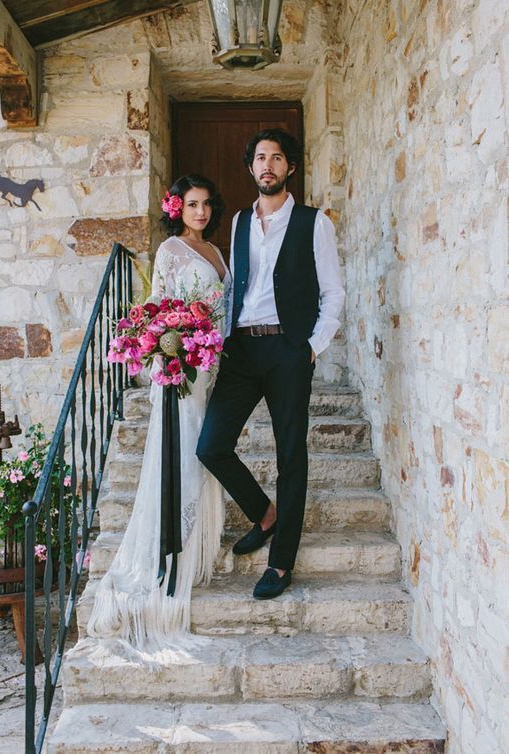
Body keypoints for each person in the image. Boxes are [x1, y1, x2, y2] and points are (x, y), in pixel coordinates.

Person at [197, 129, 345, 600]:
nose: (268, 165)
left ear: (290, 168)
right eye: (260, 158)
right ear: (251, 168)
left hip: (288, 350)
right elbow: (235, 284)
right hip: (241, 349)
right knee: (212, 444)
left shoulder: (313, 222)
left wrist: (311, 347)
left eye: (277, 158)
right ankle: (264, 513)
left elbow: (333, 294)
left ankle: (281, 562)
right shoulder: (240, 221)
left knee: (290, 457)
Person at [87, 174, 230, 655]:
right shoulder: (171, 250)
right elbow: (156, 305)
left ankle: (196, 544)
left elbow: (221, 311)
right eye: (193, 204)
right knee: (187, 447)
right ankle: (173, 549)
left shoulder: (217, 253)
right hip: (182, 367)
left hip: (209, 364)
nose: (201, 212)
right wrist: (163, 344)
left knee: (208, 446)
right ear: (179, 209)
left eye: (207, 204)